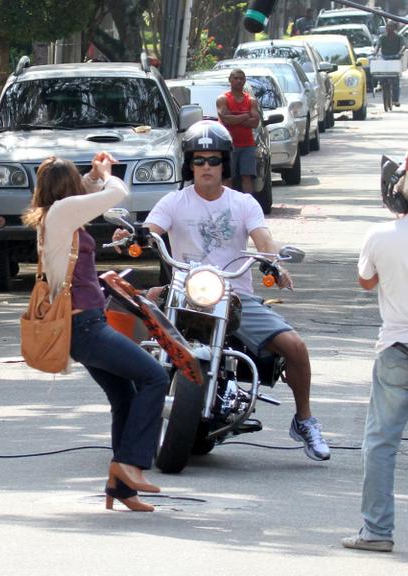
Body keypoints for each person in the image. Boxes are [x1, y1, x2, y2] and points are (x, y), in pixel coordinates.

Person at [114, 120, 331, 462]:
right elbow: (151, 229)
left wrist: (274, 261)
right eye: (198, 160)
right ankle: (132, 415)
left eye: (213, 160)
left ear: (225, 164)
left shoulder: (244, 204)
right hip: (184, 293)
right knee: (127, 324)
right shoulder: (173, 201)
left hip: (234, 297)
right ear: (189, 164)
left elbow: (262, 239)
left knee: (295, 346)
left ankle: (304, 420)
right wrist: (133, 236)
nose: (206, 167)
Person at [22, 152, 169, 512]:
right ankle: (128, 464)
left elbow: (84, 196)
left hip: (85, 324)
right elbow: (117, 194)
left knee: (126, 395)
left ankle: (120, 487)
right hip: (85, 326)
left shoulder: (55, 215)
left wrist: (89, 175)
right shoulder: (62, 214)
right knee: (154, 378)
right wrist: (106, 174)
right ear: (69, 190)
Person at [342, 156, 408, 552]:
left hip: (397, 348)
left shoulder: (380, 236)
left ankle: (377, 532)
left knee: (381, 443)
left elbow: (367, 281)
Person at [216, 68, 260, 194]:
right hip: (229, 145)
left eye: (241, 78)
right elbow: (225, 120)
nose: (238, 81)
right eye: (236, 78)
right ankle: (226, 205)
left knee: (247, 177)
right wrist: (245, 116)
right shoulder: (223, 99)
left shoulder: (250, 100)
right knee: (227, 177)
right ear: (230, 80)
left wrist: (234, 117)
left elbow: (255, 122)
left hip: (247, 145)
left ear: (245, 81)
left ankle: (248, 205)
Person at [374, 20, 405, 106]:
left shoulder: (399, 37)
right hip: (385, 58)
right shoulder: (382, 37)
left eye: (391, 26)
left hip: (395, 58)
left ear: (394, 28)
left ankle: (395, 100)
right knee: (381, 74)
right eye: (388, 27)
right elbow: (378, 45)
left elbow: (403, 46)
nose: (389, 28)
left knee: (395, 80)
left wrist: (400, 52)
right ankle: (380, 84)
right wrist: (375, 52)